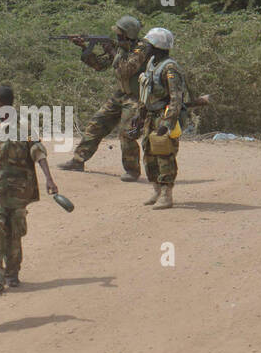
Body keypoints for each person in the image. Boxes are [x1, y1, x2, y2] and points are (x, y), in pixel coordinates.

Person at [0, 86, 59, 295]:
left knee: (14, 233)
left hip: (17, 192)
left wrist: (49, 179)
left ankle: (12, 273)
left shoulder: (23, 126)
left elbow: (37, 152)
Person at [58, 16, 150, 180]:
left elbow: (125, 70)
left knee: (127, 132)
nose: (117, 36)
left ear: (128, 34)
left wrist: (112, 51)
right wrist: (85, 48)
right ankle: (78, 160)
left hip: (137, 97)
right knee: (97, 123)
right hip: (121, 94)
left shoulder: (141, 49)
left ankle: (132, 170)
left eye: (120, 34)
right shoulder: (122, 47)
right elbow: (99, 65)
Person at [134, 27, 186, 209]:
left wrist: (167, 122)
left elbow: (176, 98)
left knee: (164, 154)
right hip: (150, 115)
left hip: (162, 116)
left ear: (157, 46)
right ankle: (156, 189)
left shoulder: (170, 68)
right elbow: (145, 93)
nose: (144, 47)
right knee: (148, 153)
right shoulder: (152, 64)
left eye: (148, 44)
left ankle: (166, 194)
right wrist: (139, 115)